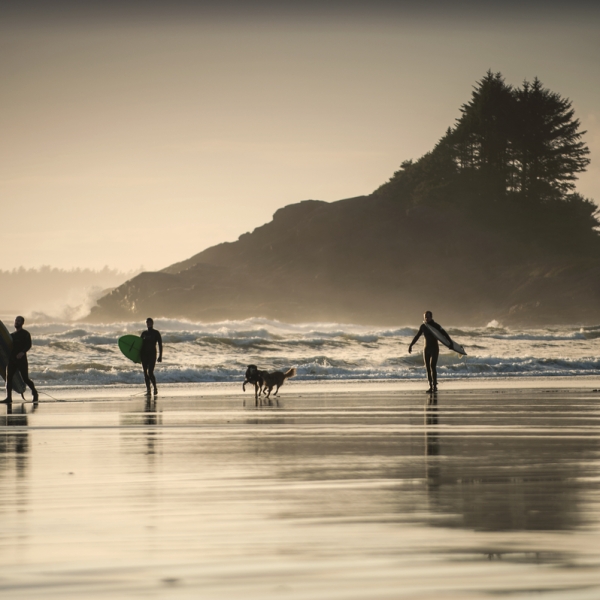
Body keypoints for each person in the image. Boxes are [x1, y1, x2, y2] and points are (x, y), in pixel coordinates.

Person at [408, 311, 453, 393]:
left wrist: (450, 343)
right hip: (426, 349)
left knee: (433, 366)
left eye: (428, 317)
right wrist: (411, 345)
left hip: (434, 349)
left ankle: (435, 386)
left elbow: (445, 334)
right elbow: (417, 336)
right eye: (425, 317)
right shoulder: (423, 326)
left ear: (431, 317)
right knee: (427, 367)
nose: (426, 318)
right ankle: (430, 386)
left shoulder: (436, 326)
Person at [3, 316, 38, 403]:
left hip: (21, 360)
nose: (16, 322)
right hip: (12, 360)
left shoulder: (25, 334)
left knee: (25, 378)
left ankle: (35, 393)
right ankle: (9, 398)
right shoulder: (12, 336)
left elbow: (28, 345)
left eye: (18, 321)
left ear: (22, 323)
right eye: (16, 320)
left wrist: (22, 352)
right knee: (9, 378)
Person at [141, 318, 163, 395]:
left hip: (152, 355)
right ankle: (148, 390)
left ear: (152, 323)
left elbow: (160, 345)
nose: (149, 324)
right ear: (146, 323)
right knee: (145, 373)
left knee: (150, 372)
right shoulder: (144, 333)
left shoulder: (156, 333)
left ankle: (155, 387)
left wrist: (160, 356)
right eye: (147, 322)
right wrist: (135, 357)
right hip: (144, 355)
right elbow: (139, 346)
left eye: (150, 322)